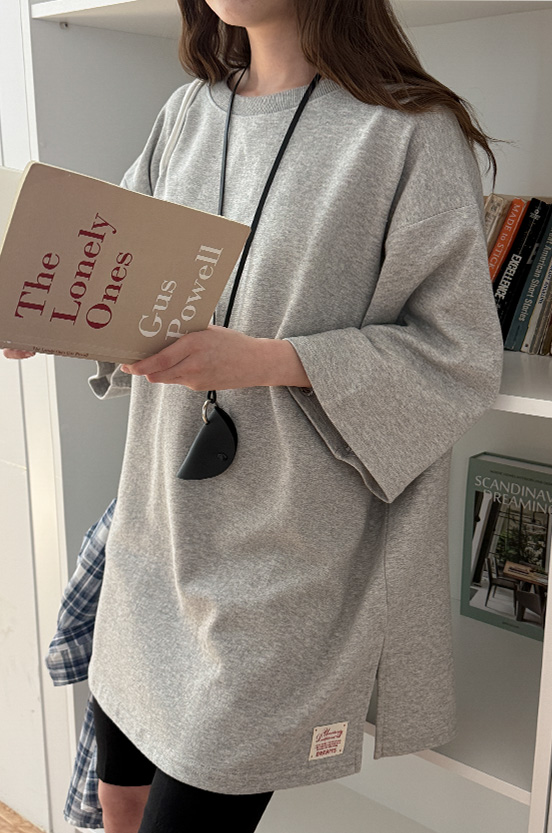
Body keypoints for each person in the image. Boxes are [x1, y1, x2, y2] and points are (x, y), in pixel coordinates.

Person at [5, 0, 506, 830]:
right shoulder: (188, 113)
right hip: (156, 540)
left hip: (285, 567)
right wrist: (45, 310)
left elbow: (458, 353)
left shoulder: (410, 133)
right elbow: (124, 284)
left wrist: (269, 360)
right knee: (119, 799)